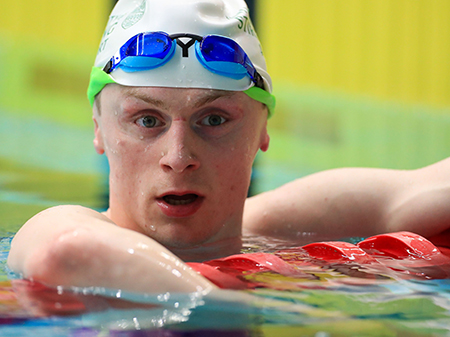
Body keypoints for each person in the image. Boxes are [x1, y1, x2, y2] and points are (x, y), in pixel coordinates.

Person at [7, 0, 450, 295]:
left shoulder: (284, 223)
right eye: (147, 120)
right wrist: (265, 296)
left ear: (262, 131)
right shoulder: (63, 226)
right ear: (99, 129)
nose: (178, 157)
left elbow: (430, 187)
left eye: (214, 120)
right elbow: (65, 253)